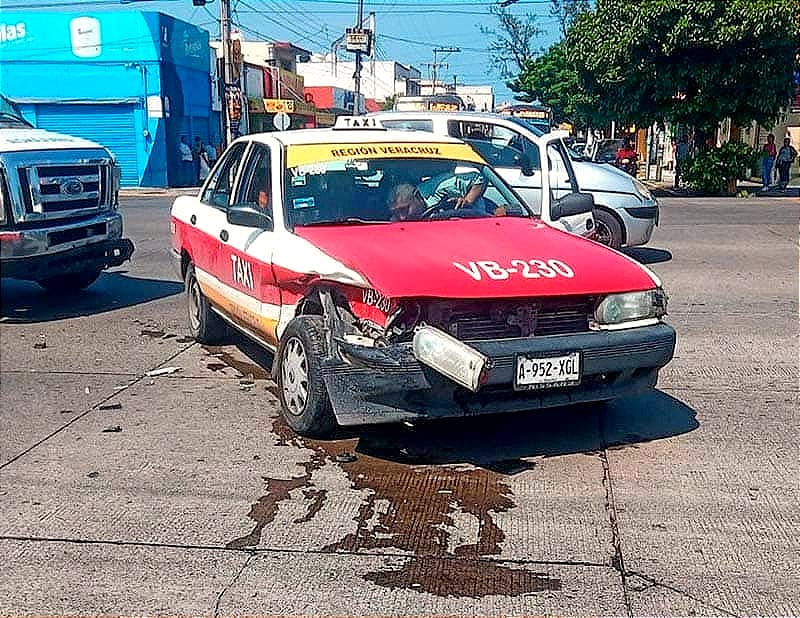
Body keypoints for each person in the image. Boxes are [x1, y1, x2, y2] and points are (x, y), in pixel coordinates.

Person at [417, 169, 487, 212]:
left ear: (414, 195)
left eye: (406, 209)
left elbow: (479, 178)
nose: (405, 217)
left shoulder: (442, 186)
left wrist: (467, 201)